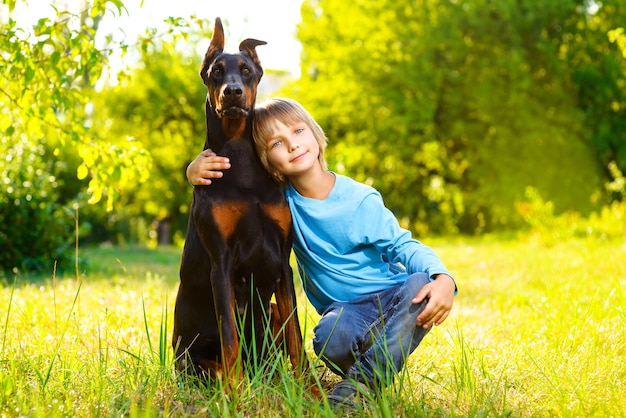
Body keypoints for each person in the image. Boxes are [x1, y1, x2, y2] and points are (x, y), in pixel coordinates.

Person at [186, 97, 457, 409]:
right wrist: (192, 170)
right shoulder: (281, 205)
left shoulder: (360, 199)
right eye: (277, 142)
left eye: (299, 131)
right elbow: (235, 184)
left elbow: (403, 244)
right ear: (265, 159)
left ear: (315, 133)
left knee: (419, 285)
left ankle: (361, 385)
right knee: (328, 335)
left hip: (392, 300)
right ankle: (376, 364)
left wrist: (444, 278)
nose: (292, 145)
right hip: (347, 315)